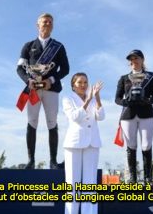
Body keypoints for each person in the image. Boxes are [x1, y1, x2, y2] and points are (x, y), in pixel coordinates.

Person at [17, 13, 70, 169]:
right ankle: (31, 161)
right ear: (37, 25)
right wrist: (29, 80)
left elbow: (66, 69)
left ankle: (53, 162)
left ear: (52, 26)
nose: (47, 24)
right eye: (44, 22)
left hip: (51, 89)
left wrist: (51, 80)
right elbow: (20, 68)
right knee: (32, 122)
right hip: (33, 89)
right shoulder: (28, 46)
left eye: (49, 22)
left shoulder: (58, 46)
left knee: (52, 122)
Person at [115, 49, 153, 184]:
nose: (134, 61)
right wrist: (125, 102)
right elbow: (117, 98)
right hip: (128, 114)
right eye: (131, 59)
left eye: (136, 58)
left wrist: (147, 100)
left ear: (142, 60)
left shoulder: (151, 76)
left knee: (146, 145)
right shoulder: (124, 78)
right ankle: (133, 178)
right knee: (131, 145)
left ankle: (148, 177)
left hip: (147, 113)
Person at [62, 73, 104, 214]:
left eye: (85, 82)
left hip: (92, 143)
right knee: (72, 184)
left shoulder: (93, 99)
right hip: (73, 144)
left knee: (90, 184)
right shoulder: (68, 99)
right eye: (80, 82)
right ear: (73, 85)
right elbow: (75, 117)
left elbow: (101, 116)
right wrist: (88, 100)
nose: (83, 85)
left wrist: (97, 98)